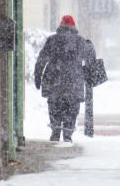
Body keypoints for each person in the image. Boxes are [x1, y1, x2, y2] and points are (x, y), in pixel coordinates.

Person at [34, 14, 95, 143]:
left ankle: (55, 131)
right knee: (72, 108)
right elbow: (90, 61)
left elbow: (41, 60)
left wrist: (38, 77)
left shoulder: (52, 40)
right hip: (74, 81)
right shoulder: (81, 41)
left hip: (54, 80)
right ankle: (68, 134)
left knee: (55, 106)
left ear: (61, 25)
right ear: (74, 26)